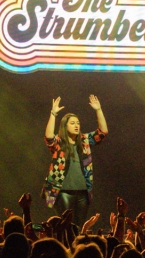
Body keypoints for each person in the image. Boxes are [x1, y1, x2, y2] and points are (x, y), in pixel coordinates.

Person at [43, 95, 108, 226]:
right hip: (62, 191)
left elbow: (103, 132)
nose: (76, 125)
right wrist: (53, 114)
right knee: (66, 225)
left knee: (79, 226)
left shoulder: (84, 141)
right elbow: (49, 136)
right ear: (65, 126)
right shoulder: (59, 143)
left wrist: (98, 110)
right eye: (72, 123)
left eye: (78, 123)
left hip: (83, 192)